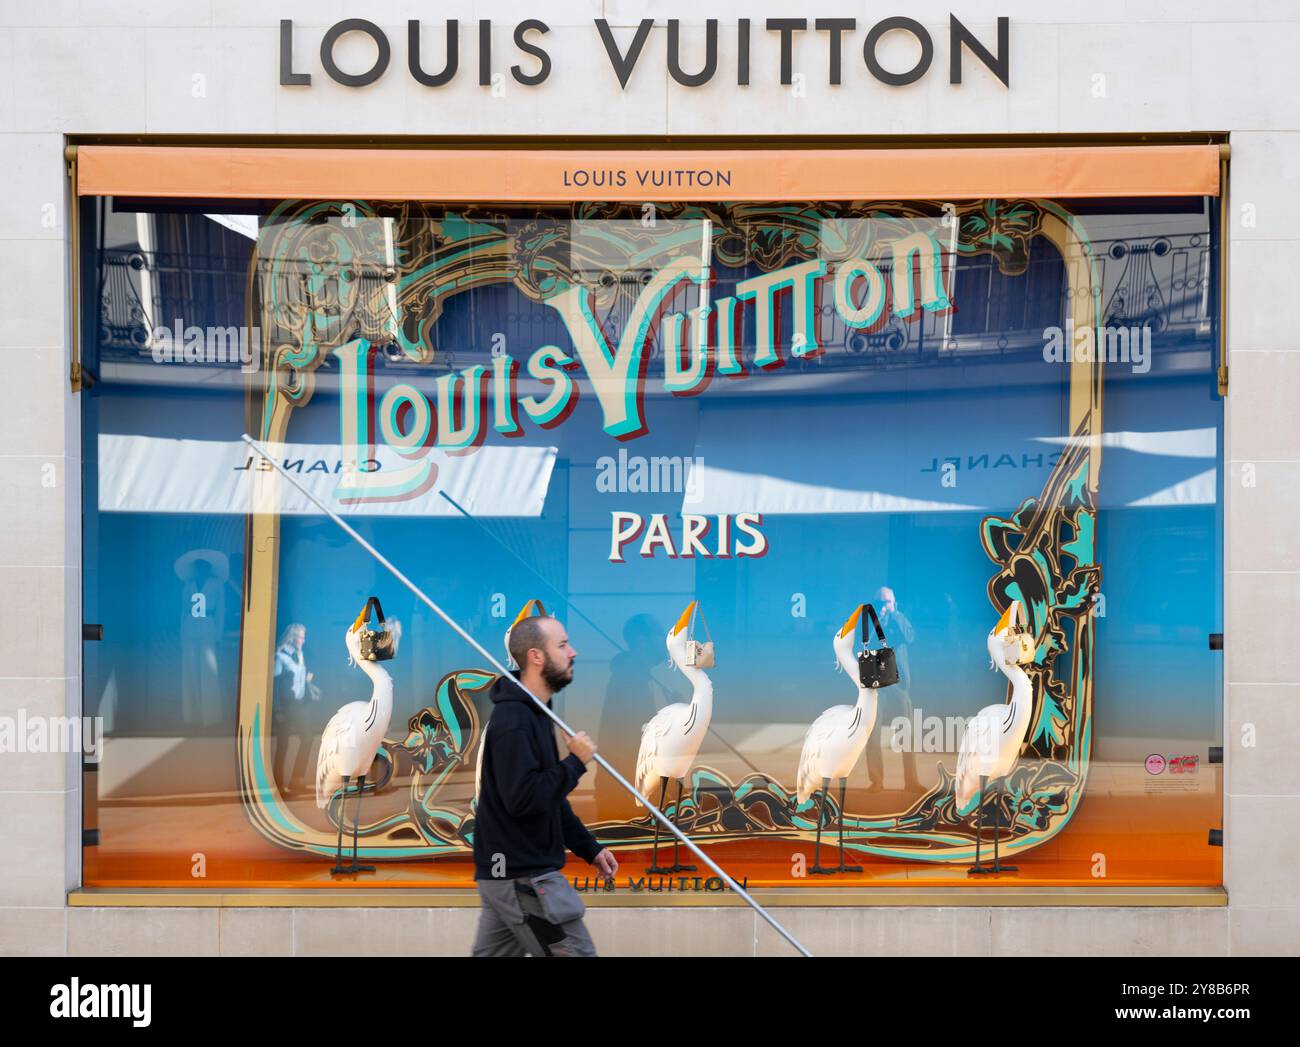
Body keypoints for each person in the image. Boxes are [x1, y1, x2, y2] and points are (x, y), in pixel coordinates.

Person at [472, 614, 618, 957]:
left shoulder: (536, 711)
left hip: (508, 875)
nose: (574, 652)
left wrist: (589, 847)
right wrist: (575, 763)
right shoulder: (515, 721)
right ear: (536, 656)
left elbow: (548, 797)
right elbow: (523, 798)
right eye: (563, 645)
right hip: (522, 877)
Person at [864, 586, 923, 793]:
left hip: (898, 683)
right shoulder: (868, 621)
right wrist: (875, 620)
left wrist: (894, 615)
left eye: (887, 602)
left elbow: (910, 638)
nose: (884, 607)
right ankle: (877, 781)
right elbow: (861, 645)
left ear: (894, 603)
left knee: (907, 733)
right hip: (876, 683)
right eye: (879, 603)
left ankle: (911, 780)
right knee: (872, 733)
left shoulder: (900, 619)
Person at [272, 623, 319, 796]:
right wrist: (277, 710)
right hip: (285, 705)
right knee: (282, 745)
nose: (303, 640)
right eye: (300, 636)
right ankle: (278, 785)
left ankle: (296, 780)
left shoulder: (299, 654)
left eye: (303, 636)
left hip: (298, 705)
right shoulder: (280, 656)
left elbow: (299, 675)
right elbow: (275, 685)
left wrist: (307, 678)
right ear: (292, 637)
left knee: (307, 738)